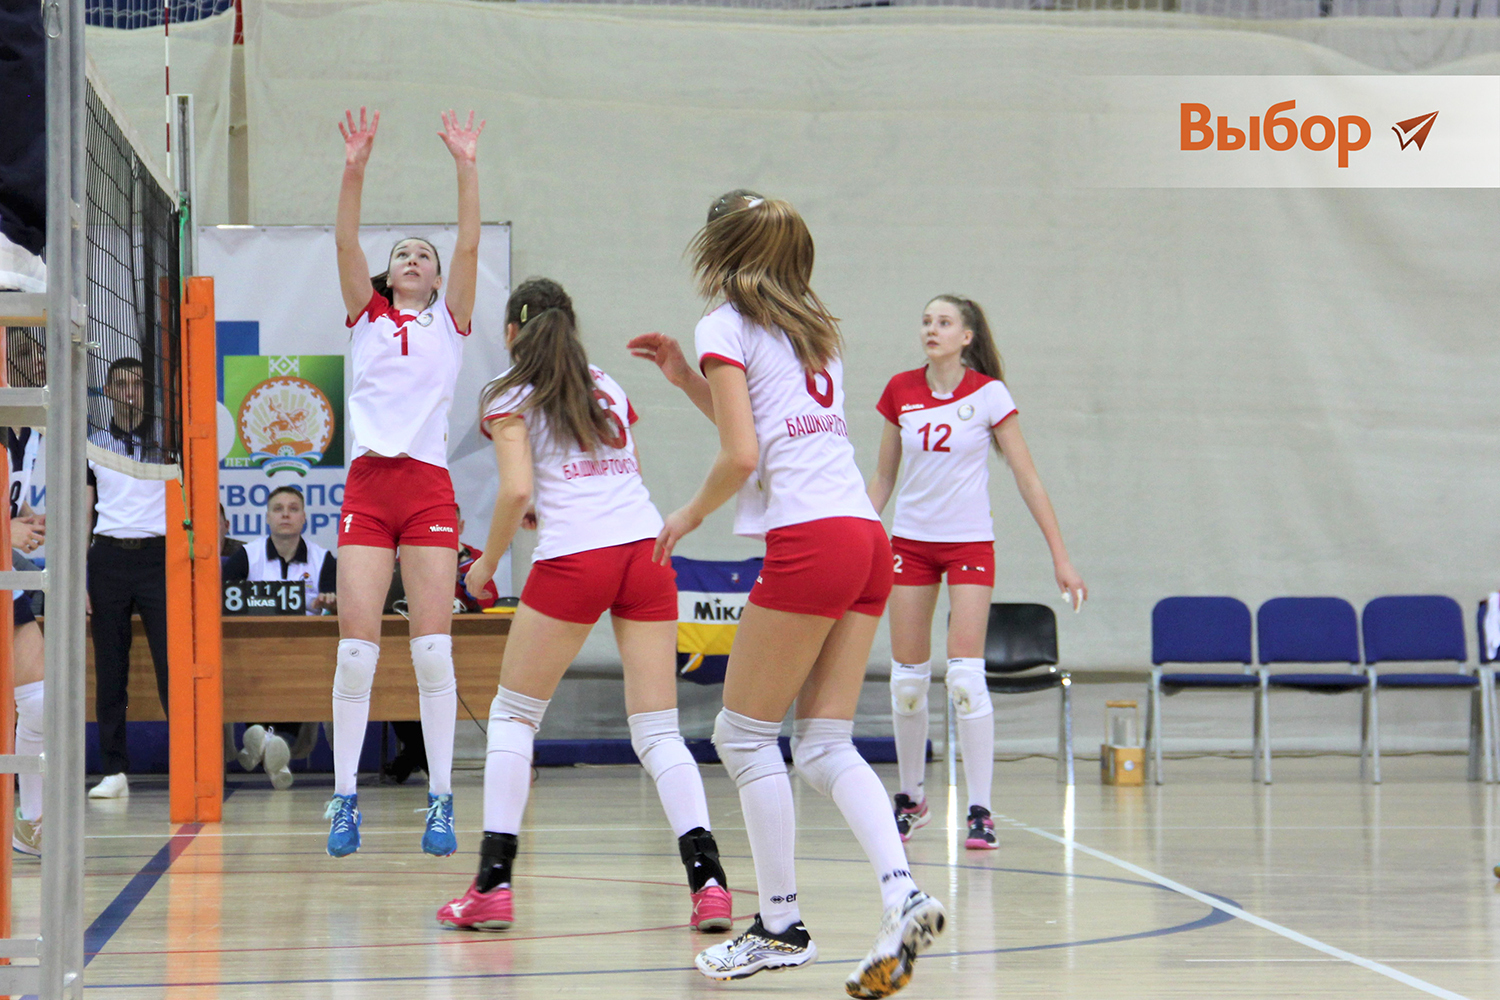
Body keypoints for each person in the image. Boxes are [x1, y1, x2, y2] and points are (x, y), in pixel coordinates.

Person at [649, 190, 945, 998]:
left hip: (813, 538)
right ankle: (902, 895)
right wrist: (685, 381)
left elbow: (742, 456)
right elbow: (764, 429)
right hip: (866, 537)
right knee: (821, 743)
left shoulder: (724, 323)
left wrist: (688, 513)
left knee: (743, 736)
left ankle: (781, 926)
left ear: (717, 246)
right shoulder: (814, 327)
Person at [436, 278, 732, 934]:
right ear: (571, 326)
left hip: (576, 559)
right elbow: (615, 465)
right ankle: (710, 883)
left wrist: (484, 566)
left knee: (514, 716)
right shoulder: (605, 384)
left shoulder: (509, 391)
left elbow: (515, 490)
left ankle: (492, 884)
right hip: (645, 551)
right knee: (657, 731)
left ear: (511, 333)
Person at [867, 295, 1086, 851]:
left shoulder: (989, 394)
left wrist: (1060, 556)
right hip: (910, 543)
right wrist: (857, 539)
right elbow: (883, 479)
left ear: (966, 336)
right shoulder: (900, 391)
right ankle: (911, 800)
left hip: (968, 543)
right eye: (926, 321)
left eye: (943, 322)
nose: (931, 330)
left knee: (965, 678)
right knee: (907, 682)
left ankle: (980, 811)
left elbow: (1027, 477)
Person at [324, 107, 483, 858]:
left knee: (432, 652)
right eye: (404, 254)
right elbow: (345, 242)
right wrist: (354, 167)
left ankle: (441, 800)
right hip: (368, 486)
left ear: (439, 276)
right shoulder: (367, 317)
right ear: (389, 275)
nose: (414, 259)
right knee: (356, 653)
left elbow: (470, 241)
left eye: (425, 254)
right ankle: (344, 799)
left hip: (426, 490)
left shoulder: (450, 321)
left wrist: (465, 164)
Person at [85, 357, 170, 800]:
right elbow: (84, 508)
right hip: (108, 558)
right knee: (110, 669)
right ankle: (114, 770)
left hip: (159, 558)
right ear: (109, 390)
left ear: (148, 390)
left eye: (137, 383)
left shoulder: (167, 442)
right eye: (121, 383)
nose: (130, 391)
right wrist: (79, 574)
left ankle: (189, 765)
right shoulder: (94, 443)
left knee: (172, 666)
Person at [222, 484, 336, 789]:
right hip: (255, 654)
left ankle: (261, 743)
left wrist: (329, 602)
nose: (286, 514)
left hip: (306, 654)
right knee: (255, 668)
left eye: (293, 509)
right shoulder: (247, 556)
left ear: (304, 518)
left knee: (297, 673)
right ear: (268, 518)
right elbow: (223, 602)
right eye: (278, 509)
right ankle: (274, 745)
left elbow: (336, 605)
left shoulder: (323, 559)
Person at [6, 326, 44, 854]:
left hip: (4, 575)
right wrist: (5, 530)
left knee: (39, 703)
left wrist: (25, 520)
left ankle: (32, 824)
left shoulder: (28, 428)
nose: (38, 362)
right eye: (27, 352)